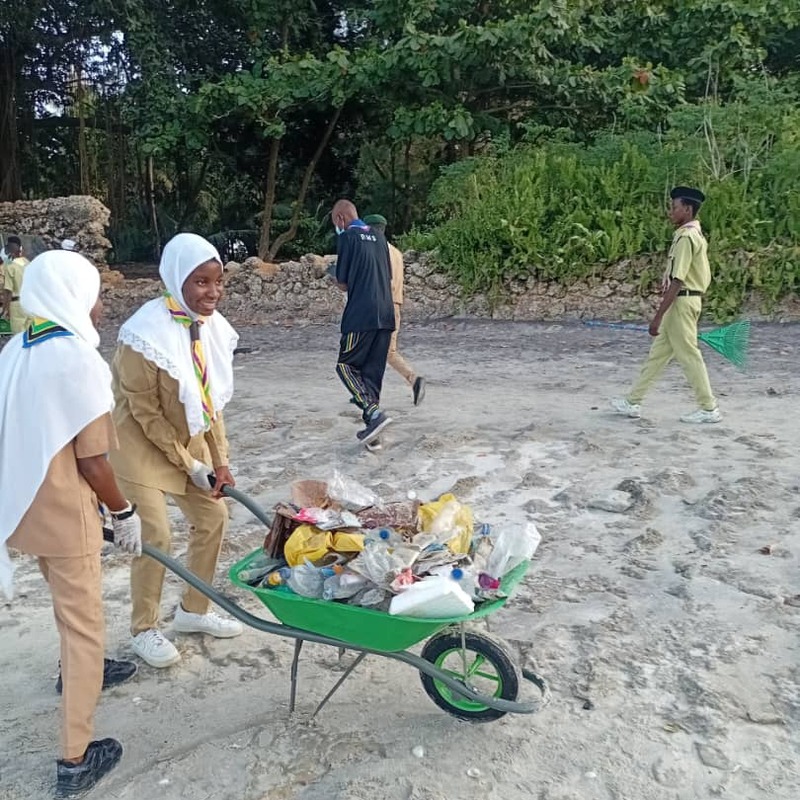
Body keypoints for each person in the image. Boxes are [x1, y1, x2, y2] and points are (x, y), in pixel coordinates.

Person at [0, 250, 143, 797]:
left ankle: (80, 670)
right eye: (95, 294)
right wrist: (124, 512)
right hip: (65, 513)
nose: (101, 306)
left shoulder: (19, 348)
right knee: (84, 623)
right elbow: (93, 461)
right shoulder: (75, 358)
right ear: (69, 294)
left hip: (26, 509)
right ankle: (75, 756)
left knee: (68, 609)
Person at [110, 232, 243, 669]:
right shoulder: (142, 336)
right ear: (176, 280)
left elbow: (212, 404)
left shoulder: (211, 329)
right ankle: (143, 629)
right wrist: (190, 464)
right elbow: (146, 416)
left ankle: (192, 611)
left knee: (214, 517)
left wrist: (219, 462)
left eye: (217, 281)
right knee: (157, 537)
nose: (212, 292)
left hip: (187, 443)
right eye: (200, 283)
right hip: (137, 448)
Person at [611, 186, 721, 423]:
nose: (671, 212)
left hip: (682, 302)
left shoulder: (686, 236)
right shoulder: (691, 234)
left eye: (674, 207)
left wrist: (658, 316)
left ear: (687, 209)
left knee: (689, 355)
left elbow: (678, 280)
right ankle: (633, 401)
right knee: (658, 355)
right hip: (683, 301)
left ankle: (709, 408)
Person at [331, 199, 396, 446]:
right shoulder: (380, 239)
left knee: (346, 366)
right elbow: (385, 275)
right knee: (371, 374)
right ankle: (374, 433)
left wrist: (335, 277)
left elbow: (343, 282)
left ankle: (373, 413)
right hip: (386, 314)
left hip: (361, 314)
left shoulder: (347, 237)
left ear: (341, 219)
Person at [362, 214, 426, 406]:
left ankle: (369, 394)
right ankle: (413, 380)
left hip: (378, 305)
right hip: (395, 305)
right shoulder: (396, 253)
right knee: (388, 351)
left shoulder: (374, 251)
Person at [2, 234, 31, 333]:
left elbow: (8, 291)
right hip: (29, 303)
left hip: (16, 305)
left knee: (18, 337)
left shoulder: (10, 267)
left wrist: (5, 310)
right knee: (30, 335)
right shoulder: (28, 264)